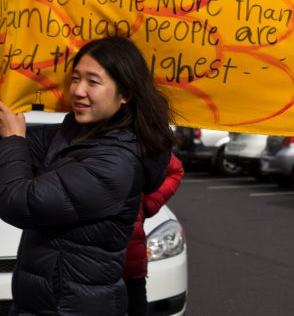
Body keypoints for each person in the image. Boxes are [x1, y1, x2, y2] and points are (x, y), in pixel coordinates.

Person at [0, 36, 175, 315]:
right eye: (75, 78)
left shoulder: (115, 163)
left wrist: (12, 139)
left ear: (125, 94)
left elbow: (20, 203)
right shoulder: (72, 134)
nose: (78, 91)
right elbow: (20, 150)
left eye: (93, 82)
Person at [124, 153, 184, 316]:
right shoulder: (64, 138)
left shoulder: (137, 138)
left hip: (129, 264)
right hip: (84, 267)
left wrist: (146, 206)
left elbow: (175, 170)